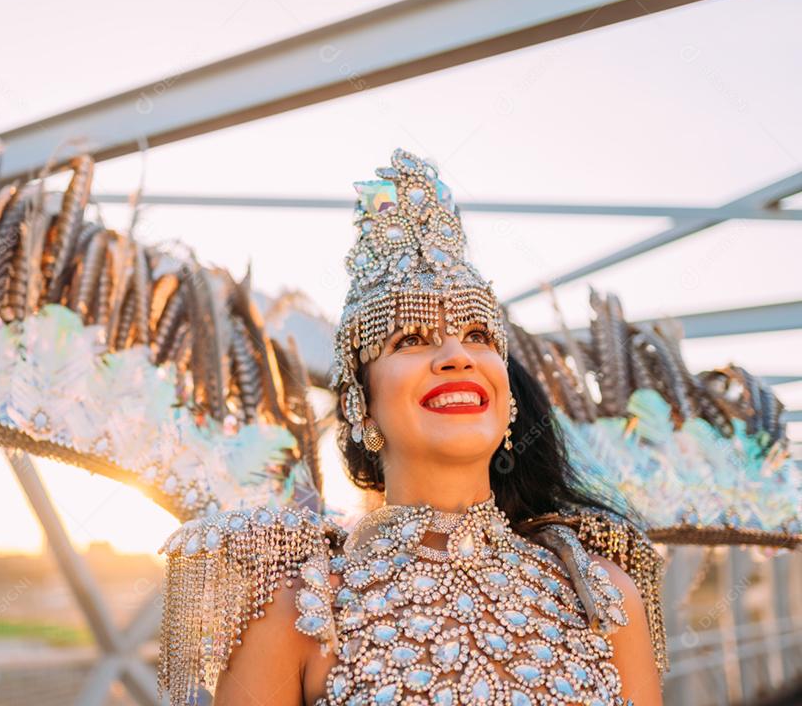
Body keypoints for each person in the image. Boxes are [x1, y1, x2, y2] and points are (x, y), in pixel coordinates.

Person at [158, 148, 665, 706]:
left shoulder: (600, 593)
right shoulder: (301, 608)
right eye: (409, 339)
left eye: (477, 335)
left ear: (506, 396)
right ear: (361, 405)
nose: (456, 355)